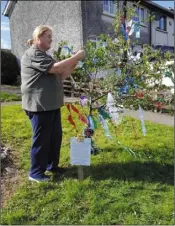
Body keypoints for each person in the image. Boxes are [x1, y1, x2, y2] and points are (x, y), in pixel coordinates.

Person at [21, 25, 85, 182]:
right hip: (40, 106)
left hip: (52, 105)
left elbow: (61, 74)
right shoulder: (33, 54)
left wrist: (74, 63)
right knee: (42, 140)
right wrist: (76, 56)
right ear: (39, 37)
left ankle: (51, 166)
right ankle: (35, 173)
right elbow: (55, 67)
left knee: (55, 137)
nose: (51, 39)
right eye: (48, 36)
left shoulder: (45, 55)